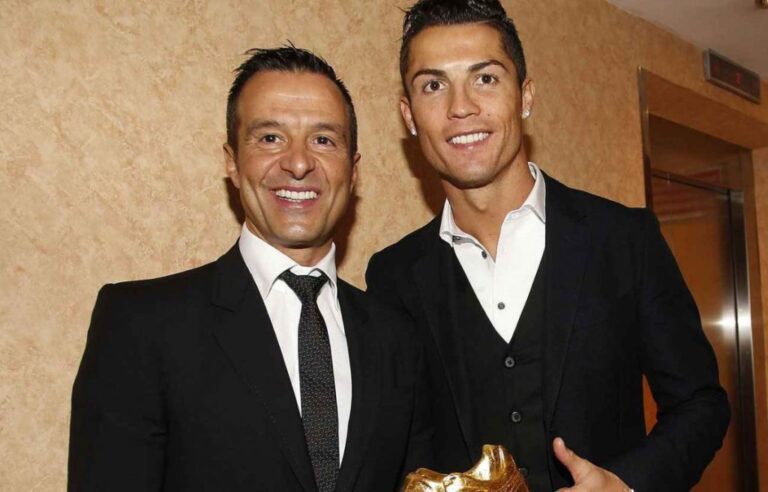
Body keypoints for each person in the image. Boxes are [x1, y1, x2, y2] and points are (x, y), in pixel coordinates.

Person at [365, 1, 730, 490]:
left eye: (485, 78)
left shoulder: (624, 239)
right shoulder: (392, 276)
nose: (460, 107)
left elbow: (700, 404)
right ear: (409, 115)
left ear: (525, 96)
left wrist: (627, 484)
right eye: (433, 85)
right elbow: (400, 445)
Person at [69, 46, 432, 492]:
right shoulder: (141, 325)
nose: (298, 163)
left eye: (323, 140)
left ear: (352, 170)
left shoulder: (398, 340)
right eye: (270, 138)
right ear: (232, 162)